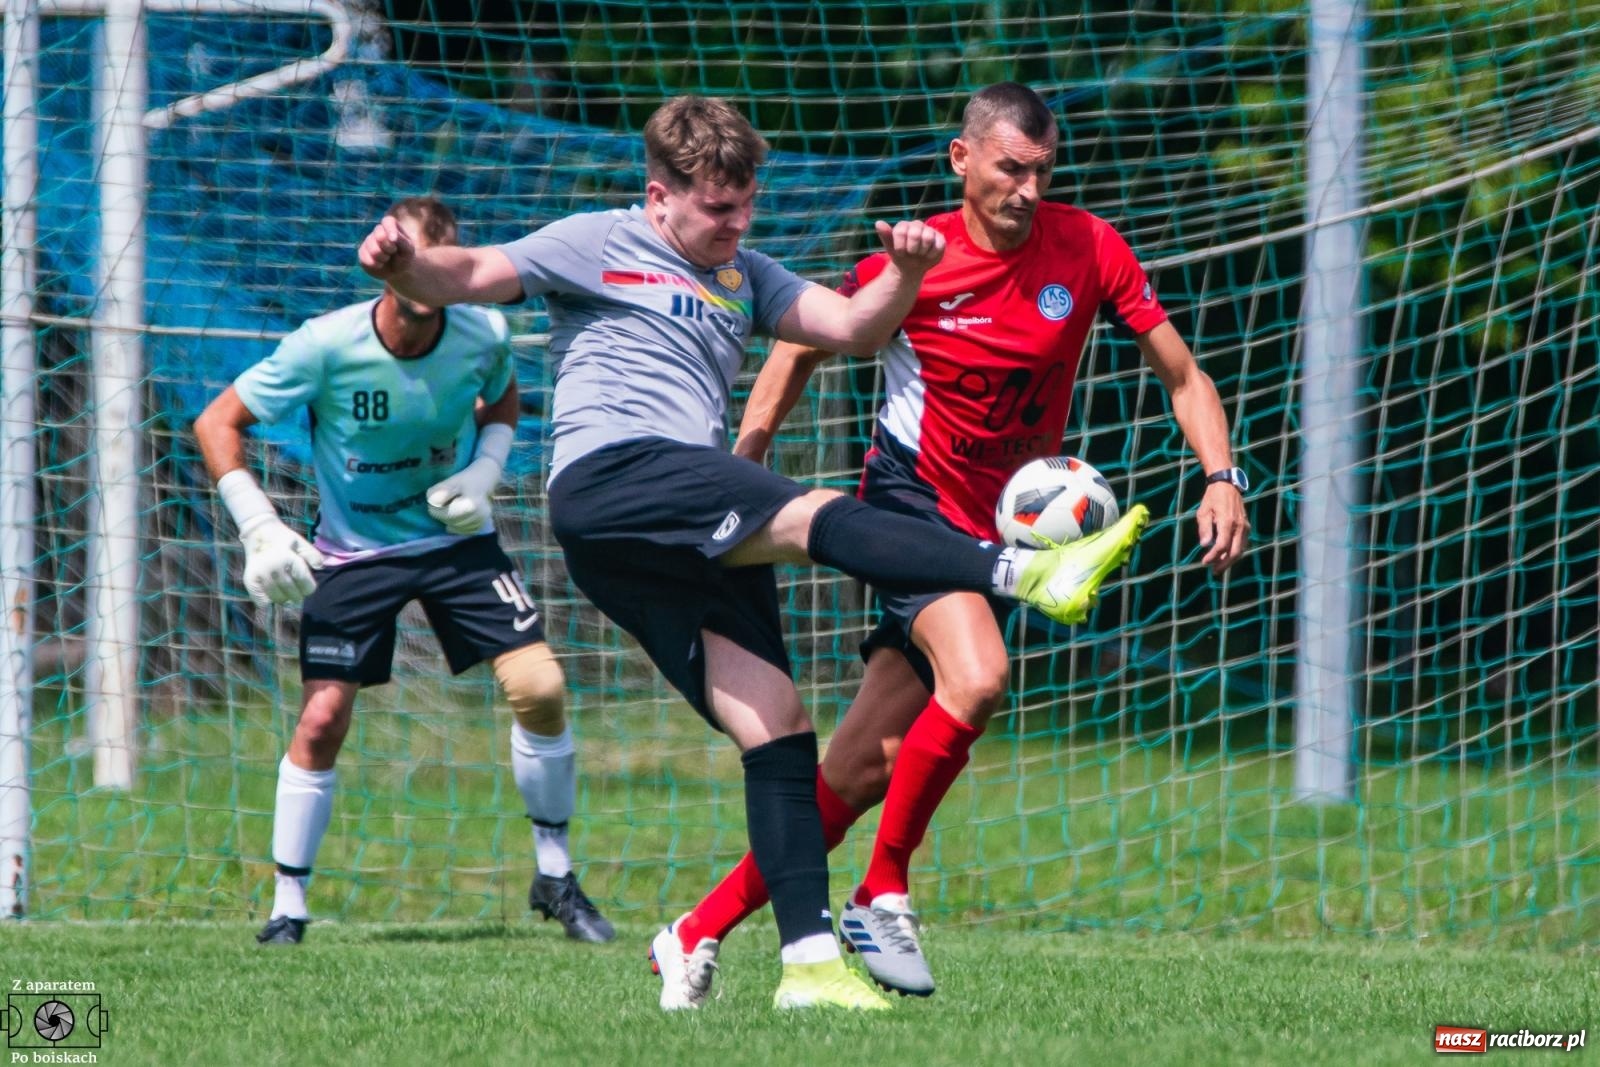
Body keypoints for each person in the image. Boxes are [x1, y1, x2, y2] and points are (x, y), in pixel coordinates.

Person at [355, 95, 1149, 1012]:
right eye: (717, 209)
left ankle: (807, 965)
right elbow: (469, 272)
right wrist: (407, 265)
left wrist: (900, 273)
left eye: (746, 205)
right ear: (660, 199)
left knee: (777, 723)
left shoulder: (748, 272)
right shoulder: (598, 240)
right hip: (614, 477)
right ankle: (1017, 569)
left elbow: (854, 327)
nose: (737, 224)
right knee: (814, 513)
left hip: (659, 534)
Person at [673, 82, 1252, 997]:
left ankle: (693, 929)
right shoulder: (917, 262)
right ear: (963, 159)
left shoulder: (1090, 247)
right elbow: (793, 354)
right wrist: (742, 476)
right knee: (979, 676)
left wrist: (1222, 477)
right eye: (1010, 168)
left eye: (1042, 171)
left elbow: (1183, 374)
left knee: (860, 766)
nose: (1027, 188)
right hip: (910, 510)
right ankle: (882, 889)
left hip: (1000, 532)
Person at [194, 196, 614, 948]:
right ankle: (288, 908)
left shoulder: (483, 329)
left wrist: (486, 468)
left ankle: (555, 874)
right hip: (354, 552)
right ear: (387, 271)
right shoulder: (324, 344)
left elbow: (502, 394)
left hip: (456, 542)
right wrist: (259, 527)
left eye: (439, 266)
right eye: (411, 264)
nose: (425, 279)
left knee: (540, 685)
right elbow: (216, 421)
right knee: (323, 718)